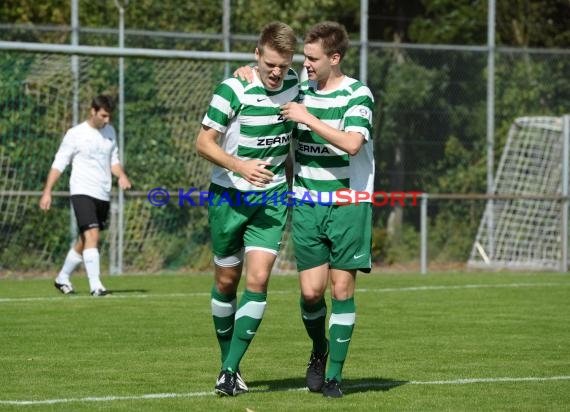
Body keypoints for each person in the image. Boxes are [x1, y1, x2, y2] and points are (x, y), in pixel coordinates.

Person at [235, 21, 375, 398]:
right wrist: (246, 72)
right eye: (305, 58)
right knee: (312, 295)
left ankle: (334, 377)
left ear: (334, 58)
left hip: (349, 203)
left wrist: (308, 118)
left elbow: (352, 144)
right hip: (308, 203)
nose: (306, 65)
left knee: (341, 289)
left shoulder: (357, 94)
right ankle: (319, 348)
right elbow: (266, 76)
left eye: (312, 59)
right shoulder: (299, 88)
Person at [195, 21, 299, 397]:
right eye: (270, 63)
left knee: (257, 281)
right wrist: (239, 166)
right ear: (257, 55)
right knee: (226, 282)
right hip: (228, 196)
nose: (276, 72)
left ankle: (227, 370)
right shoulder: (232, 88)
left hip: (271, 198)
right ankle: (230, 364)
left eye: (283, 66)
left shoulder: (295, 87)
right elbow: (203, 142)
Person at [39, 94, 131, 297]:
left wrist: (121, 176)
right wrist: (47, 191)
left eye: (109, 116)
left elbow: (113, 161)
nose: (107, 120)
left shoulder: (110, 131)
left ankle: (62, 277)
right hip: (82, 190)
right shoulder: (76, 134)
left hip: (102, 193)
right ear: (93, 111)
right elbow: (59, 163)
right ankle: (96, 285)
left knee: (85, 239)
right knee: (92, 235)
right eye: (104, 116)